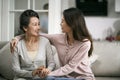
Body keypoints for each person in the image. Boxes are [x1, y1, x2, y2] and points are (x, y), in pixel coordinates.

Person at [11, 7, 95, 80]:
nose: (60, 24)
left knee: (49, 78)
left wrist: (46, 74)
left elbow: (70, 67)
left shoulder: (85, 43)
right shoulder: (59, 38)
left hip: (83, 77)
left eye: (63, 21)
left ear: (72, 24)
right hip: (67, 78)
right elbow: (35, 33)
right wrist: (17, 37)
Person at [11, 9, 55, 80]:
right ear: (25, 28)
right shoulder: (17, 45)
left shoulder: (45, 42)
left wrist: (47, 70)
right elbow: (15, 70)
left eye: (39, 24)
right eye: (35, 25)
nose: (38, 28)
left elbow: (52, 63)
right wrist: (32, 73)